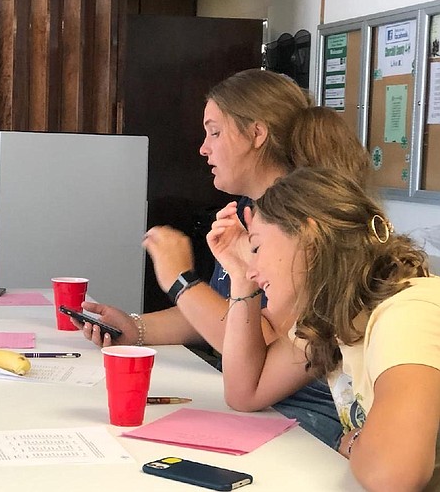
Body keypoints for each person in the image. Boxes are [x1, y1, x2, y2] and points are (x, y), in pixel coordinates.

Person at [79, 69, 372, 449]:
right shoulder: (248, 212)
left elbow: (260, 336)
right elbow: (228, 311)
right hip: (265, 408)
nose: (203, 148)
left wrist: (180, 281)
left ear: (256, 134)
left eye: (214, 132)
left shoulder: (299, 230)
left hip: (304, 423)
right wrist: (136, 328)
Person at [213, 166, 440, 491]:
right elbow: (245, 392)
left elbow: (393, 474)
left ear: (309, 236)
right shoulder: (340, 313)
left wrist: (352, 442)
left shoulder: (406, 313)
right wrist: (236, 274)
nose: (254, 270)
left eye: (258, 248)